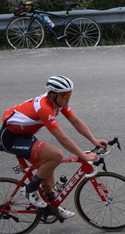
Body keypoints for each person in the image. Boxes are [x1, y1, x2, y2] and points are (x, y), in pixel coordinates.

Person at [1, 76, 108, 219]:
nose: (68, 98)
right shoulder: (44, 108)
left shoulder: (57, 102)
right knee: (56, 155)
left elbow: (75, 121)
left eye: (69, 94)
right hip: (11, 138)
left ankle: (52, 207)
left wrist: (93, 140)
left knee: (48, 175)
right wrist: (83, 155)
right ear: (53, 94)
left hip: (24, 135)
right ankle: (30, 190)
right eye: (65, 95)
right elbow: (62, 138)